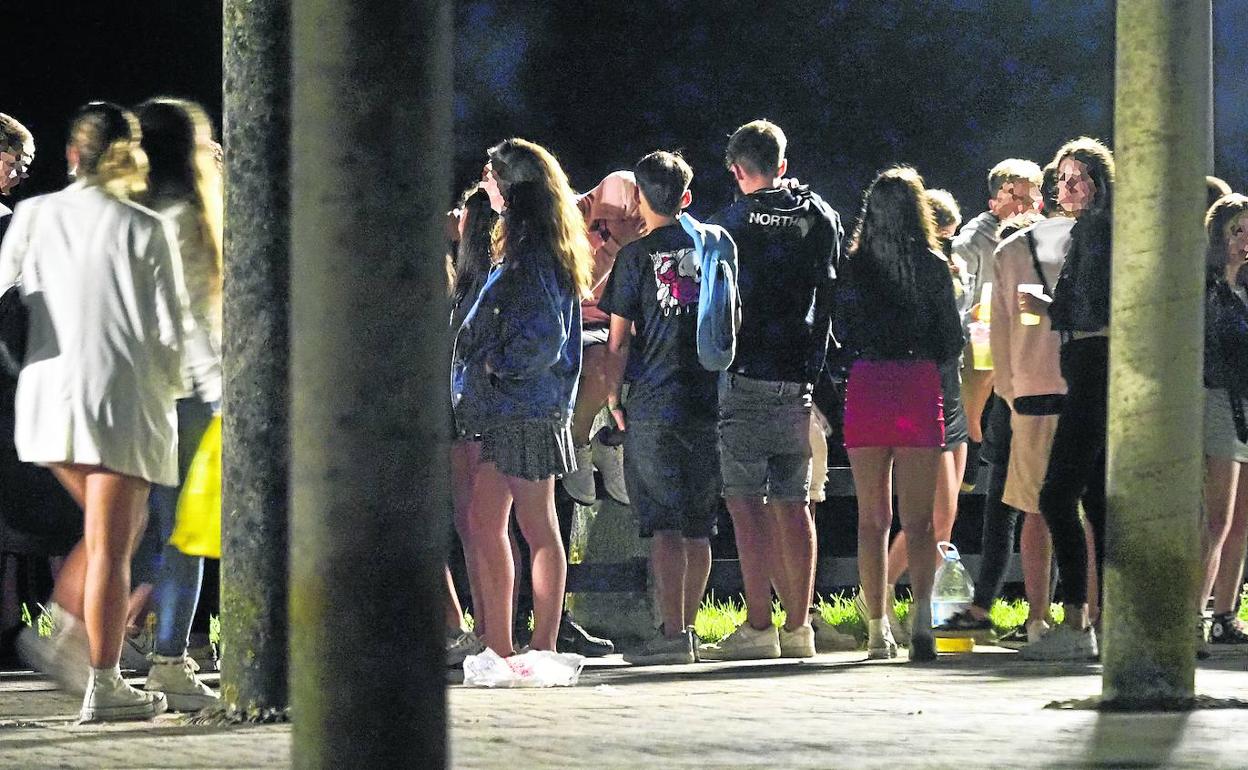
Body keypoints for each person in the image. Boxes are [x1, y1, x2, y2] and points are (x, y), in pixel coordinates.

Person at [5, 102, 193, 720]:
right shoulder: (144, 227)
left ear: (70, 156)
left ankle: (66, 636)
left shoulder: (33, 214)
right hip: (115, 404)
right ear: (128, 156)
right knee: (114, 542)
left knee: (108, 531)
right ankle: (101, 682)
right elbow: (172, 333)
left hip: (43, 403)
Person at [696, 120, 840, 661]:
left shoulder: (728, 224)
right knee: (793, 502)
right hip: (799, 378)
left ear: (737, 170)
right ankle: (800, 628)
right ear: (781, 163)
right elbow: (829, 293)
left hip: (744, 374)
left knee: (744, 504)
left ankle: (759, 626)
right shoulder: (820, 216)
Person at [452, 138, 593, 657]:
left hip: (526, 407)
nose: (483, 177)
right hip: (523, 408)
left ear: (510, 184)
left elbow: (544, 336)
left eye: (490, 171)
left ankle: (538, 645)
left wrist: (496, 366)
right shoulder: (538, 244)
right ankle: (506, 647)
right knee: (492, 523)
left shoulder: (531, 252)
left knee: (533, 527)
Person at [113, 98, 223, 710]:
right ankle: (169, 662)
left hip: (125, 393)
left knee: (126, 529)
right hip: (183, 394)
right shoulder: (186, 215)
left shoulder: (122, 211)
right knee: (186, 531)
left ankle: (98, 654)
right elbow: (192, 321)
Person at [838, 166, 963, 662]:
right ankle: (922, 620)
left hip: (868, 385)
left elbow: (839, 331)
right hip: (916, 385)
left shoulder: (854, 268)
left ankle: (875, 629)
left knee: (872, 519)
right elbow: (950, 340)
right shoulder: (932, 267)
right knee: (920, 522)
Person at [598, 151, 719, 665]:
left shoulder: (634, 257)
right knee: (698, 523)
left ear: (640, 199)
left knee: (665, 524)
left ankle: (672, 636)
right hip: (709, 398)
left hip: (654, 398)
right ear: (686, 198)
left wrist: (611, 397)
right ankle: (688, 629)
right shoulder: (715, 248)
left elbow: (619, 340)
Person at [1020, 137, 1115, 661]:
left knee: (1057, 494)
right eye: (1061, 178)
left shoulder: (1097, 230)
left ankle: (1077, 619)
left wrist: (1047, 306)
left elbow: (1092, 307)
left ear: (1100, 183)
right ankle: (1107, 618)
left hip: (1094, 362)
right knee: (1098, 500)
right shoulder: (1094, 231)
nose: (1066, 187)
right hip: (1093, 364)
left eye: (1077, 177)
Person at [878, 187, 969, 646]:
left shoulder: (946, 268)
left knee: (946, 517)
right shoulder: (910, 271)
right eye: (944, 236)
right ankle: (883, 593)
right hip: (925, 390)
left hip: (953, 392)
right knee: (929, 515)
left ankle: (926, 606)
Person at [951, 160, 1043, 487]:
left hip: (1025, 347)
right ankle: (964, 485)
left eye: (1033, 197)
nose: (1030, 206)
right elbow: (960, 302)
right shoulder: (972, 242)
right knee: (971, 413)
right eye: (1020, 198)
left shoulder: (1040, 238)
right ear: (996, 202)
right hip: (983, 339)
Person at [561, 171, 644, 506]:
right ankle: (577, 440)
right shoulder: (571, 215)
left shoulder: (641, 219)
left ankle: (610, 442)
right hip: (575, 321)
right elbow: (578, 289)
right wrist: (612, 245)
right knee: (601, 361)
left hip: (619, 320)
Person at [1196, 194, 1248, 648]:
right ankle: (1192, 613)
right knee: (1217, 517)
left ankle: (1225, 613)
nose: (1245, 241)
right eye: (1237, 230)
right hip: (1218, 401)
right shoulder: (1207, 289)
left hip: (1245, 402)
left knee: (1243, 520)